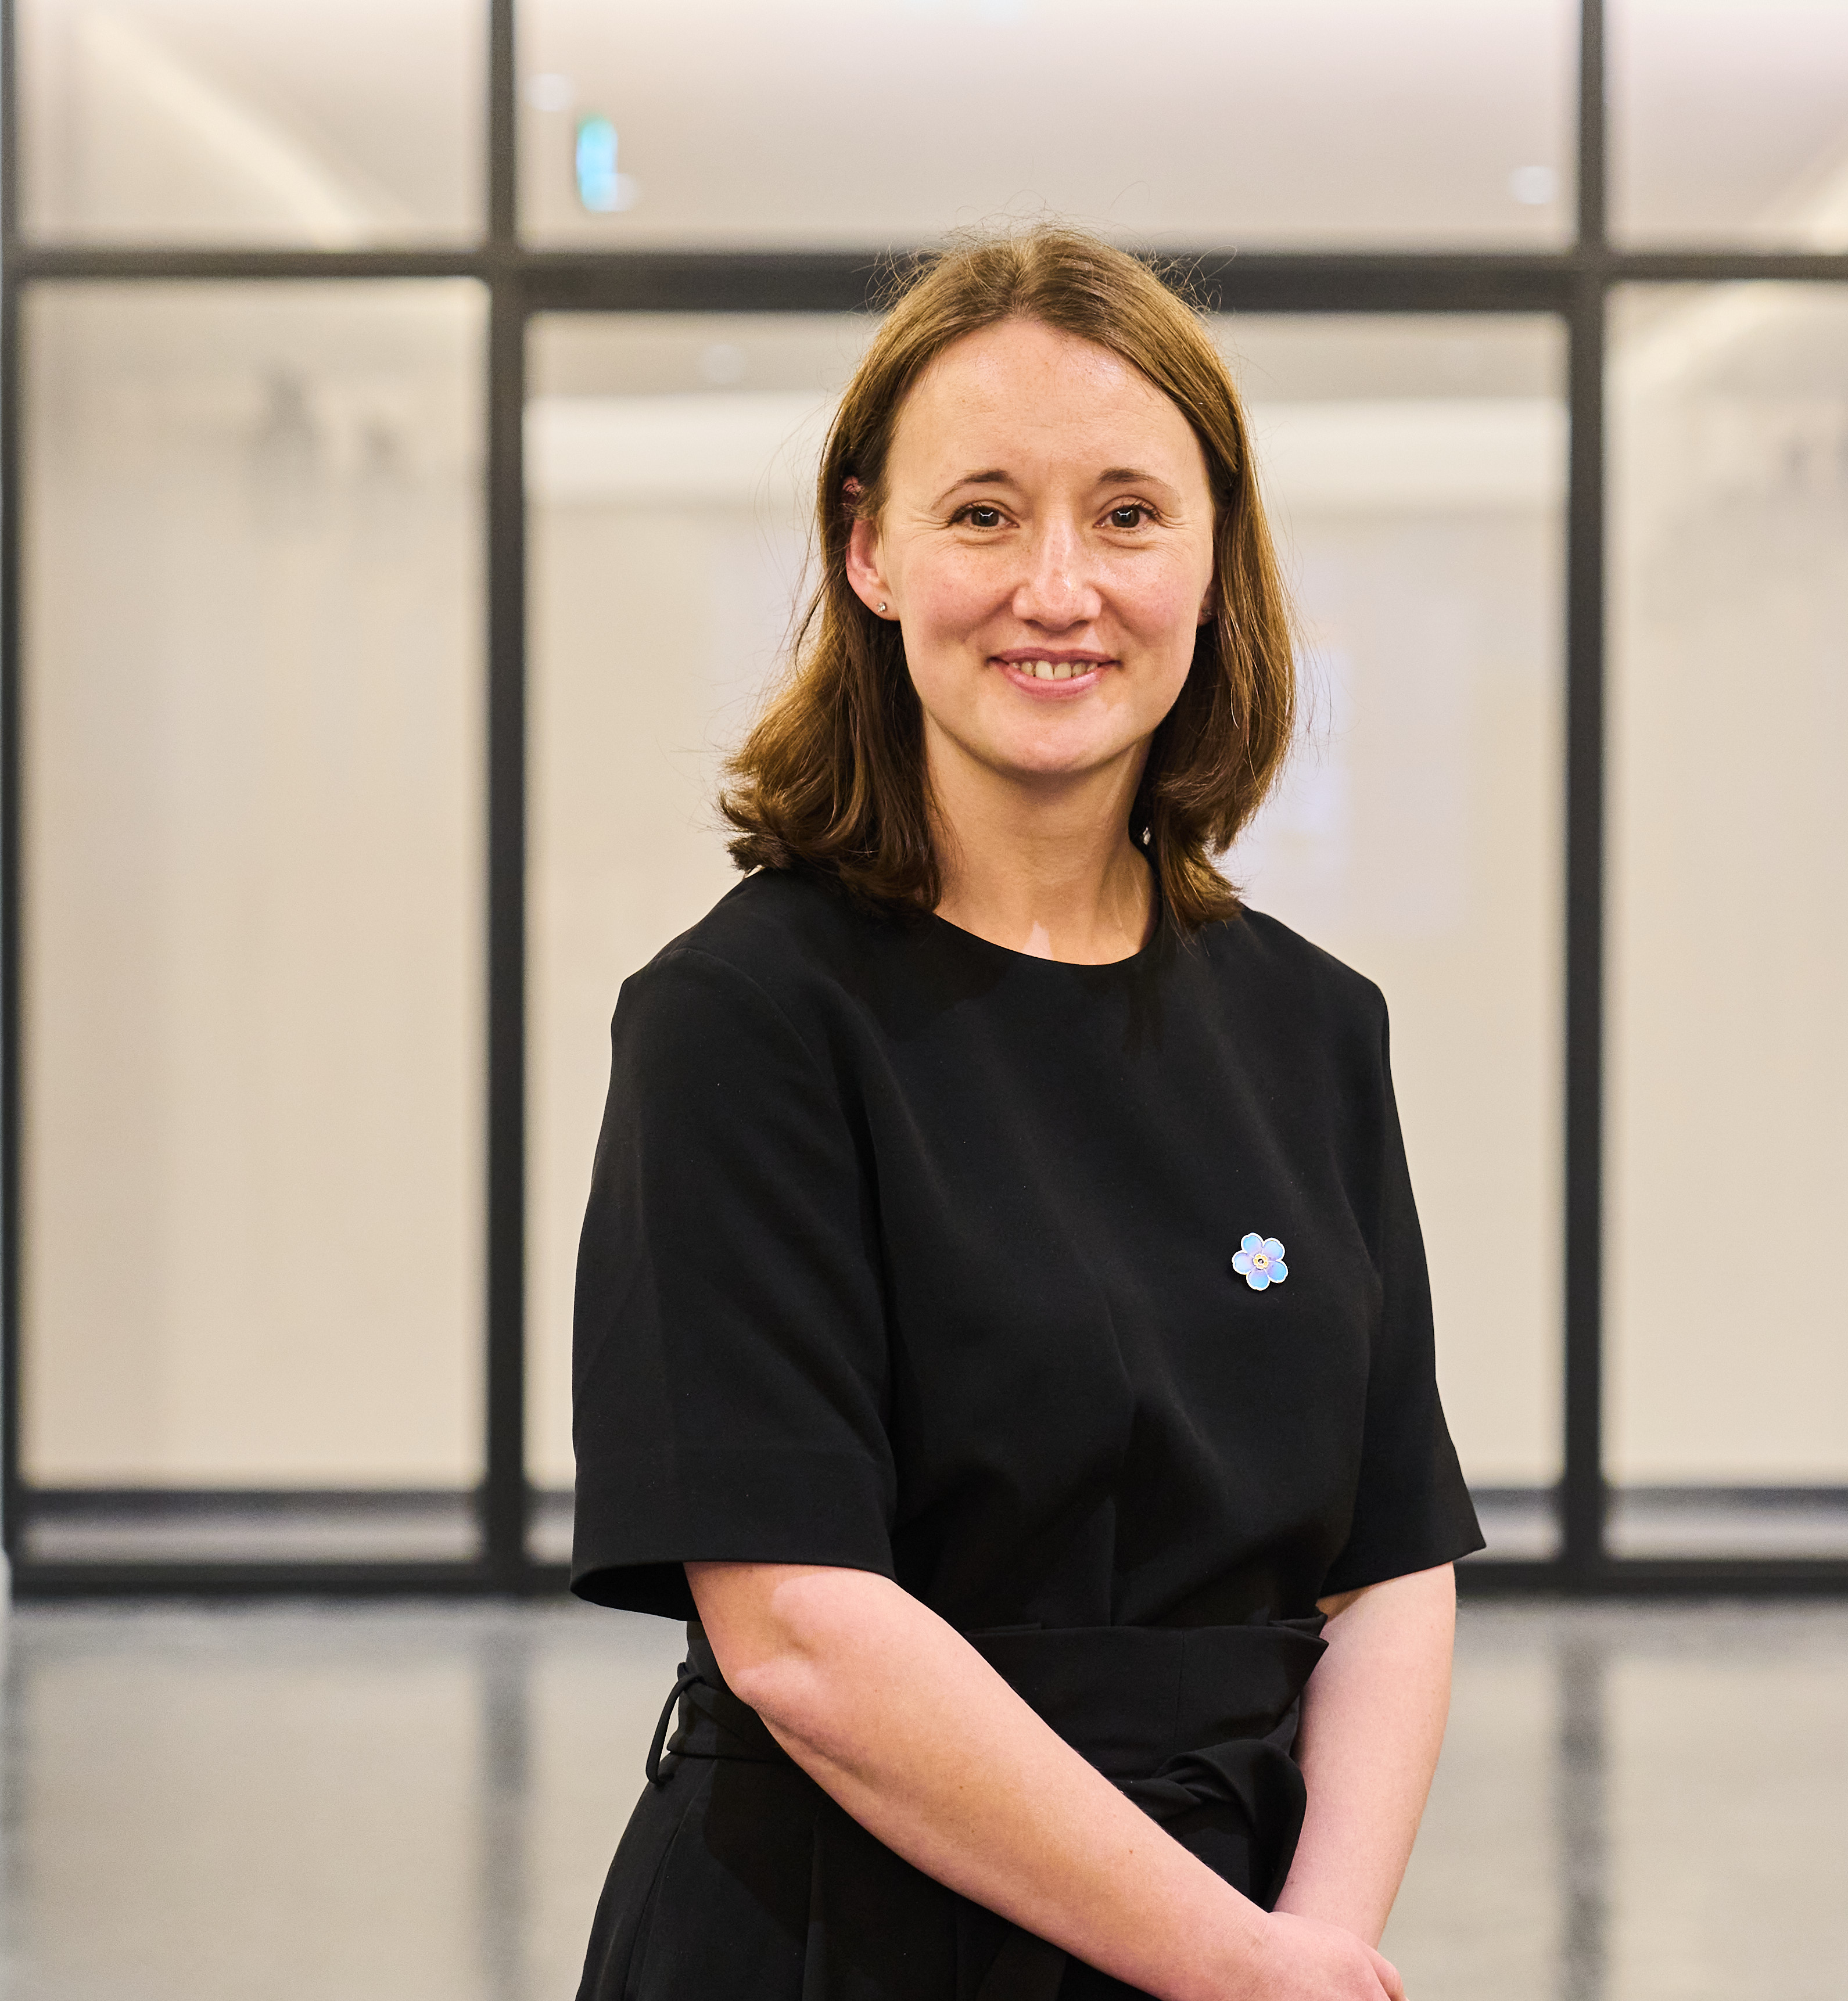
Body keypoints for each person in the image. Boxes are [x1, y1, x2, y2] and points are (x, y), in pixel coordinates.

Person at [566, 224, 1483, 2001]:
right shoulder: (741, 1023)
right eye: (984, 512)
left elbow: (1390, 1568)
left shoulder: (1314, 1027)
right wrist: (1229, 1964)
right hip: (842, 1927)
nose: (1057, 587)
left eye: (1128, 514)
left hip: (1247, 1922)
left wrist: (1318, 1944)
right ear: (870, 550)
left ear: (1215, 559)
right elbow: (802, 1635)